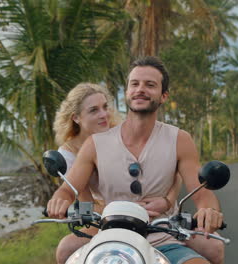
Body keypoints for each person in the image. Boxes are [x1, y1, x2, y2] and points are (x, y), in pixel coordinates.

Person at [48, 57, 225, 264]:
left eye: (150, 85)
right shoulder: (95, 144)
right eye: (135, 84)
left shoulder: (180, 140)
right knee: (67, 255)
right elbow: (69, 189)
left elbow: (202, 193)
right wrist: (59, 199)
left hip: (164, 238)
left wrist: (208, 211)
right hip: (107, 240)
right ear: (127, 93)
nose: (141, 89)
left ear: (164, 95)